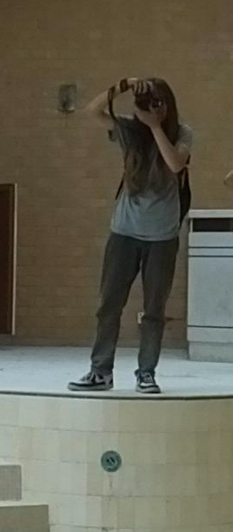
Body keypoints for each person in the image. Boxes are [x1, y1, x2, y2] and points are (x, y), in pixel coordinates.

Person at [69, 76, 192, 394]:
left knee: (154, 310)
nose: (153, 108)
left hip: (162, 236)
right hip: (124, 232)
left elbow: (176, 165)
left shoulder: (181, 133)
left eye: (159, 102)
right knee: (109, 304)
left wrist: (155, 127)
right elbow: (93, 111)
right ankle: (100, 371)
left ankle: (146, 373)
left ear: (169, 105)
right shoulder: (127, 130)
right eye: (147, 103)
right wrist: (122, 86)